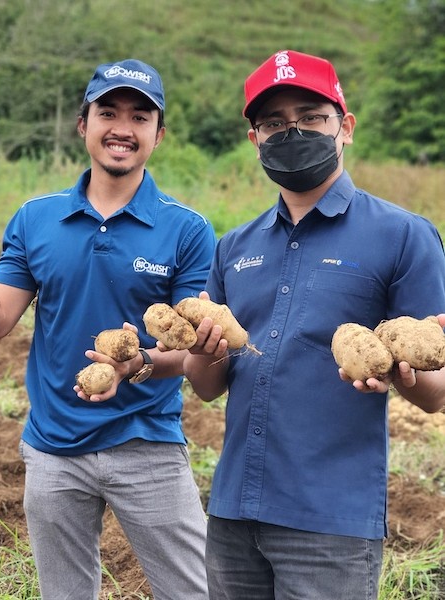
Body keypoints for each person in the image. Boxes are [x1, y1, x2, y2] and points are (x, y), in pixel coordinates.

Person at [182, 50, 445, 600]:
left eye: (310, 116)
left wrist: (399, 369)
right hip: (232, 513)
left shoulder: (403, 235)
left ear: (344, 127)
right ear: (254, 140)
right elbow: (208, 388)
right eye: (273, 123)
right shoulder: (235, 246)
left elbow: (435, 394)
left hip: (329, 521)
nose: (291, 131)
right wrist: (203, 349)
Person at [0, 59, 216, 600]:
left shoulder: (186, 229)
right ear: (84, 124)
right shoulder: (34, 218)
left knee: (198, 591)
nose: (122, 127)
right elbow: (1, 317)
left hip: (147, 441)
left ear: (157, 135)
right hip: (52, 446)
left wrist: (134, 364)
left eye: (140, 117)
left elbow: (189, 352)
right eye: (108, 112)